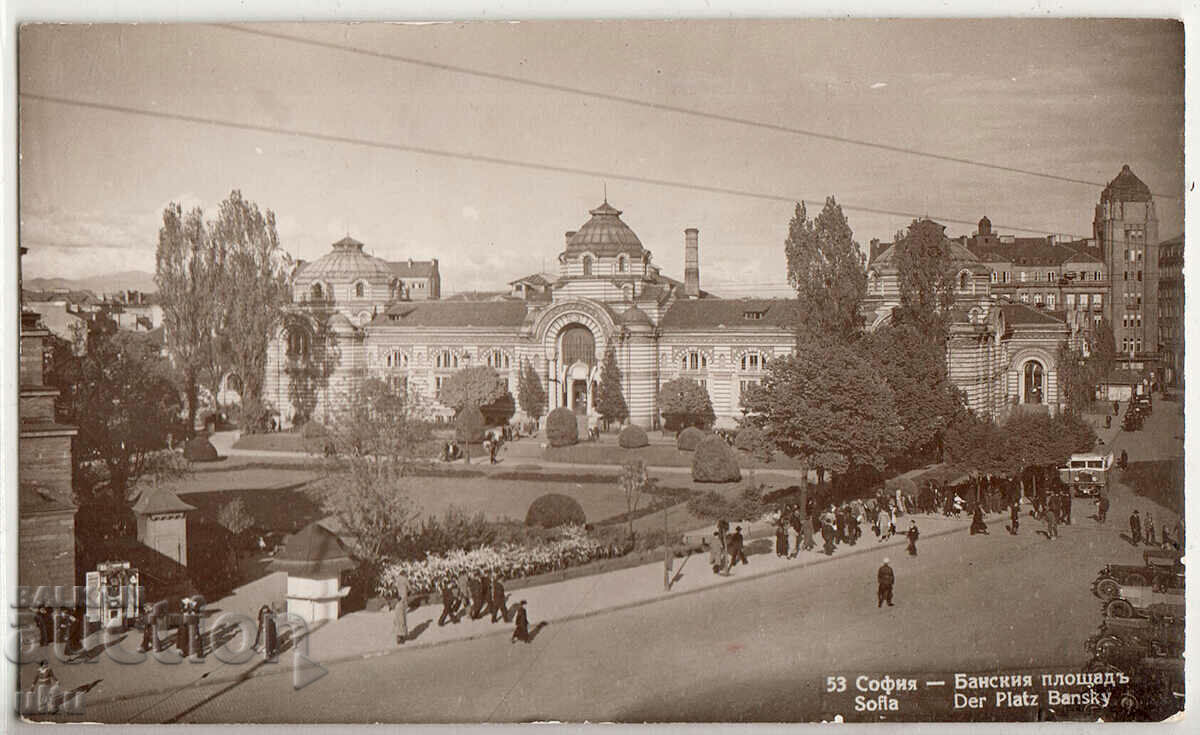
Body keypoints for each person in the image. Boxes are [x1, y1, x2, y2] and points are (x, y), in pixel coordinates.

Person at [393, 574, 409, 645]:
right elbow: (410, 587)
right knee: (402, 619)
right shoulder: (405, 579)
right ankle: (401, 637)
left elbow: (394, 588)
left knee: (398, 619)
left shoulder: (397, 579)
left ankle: (398, 636)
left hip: (398, 601)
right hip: (403, 600)